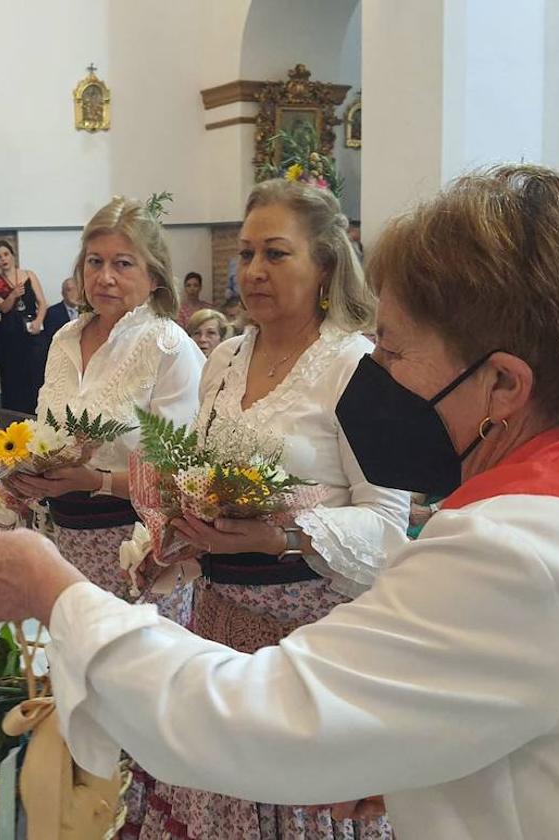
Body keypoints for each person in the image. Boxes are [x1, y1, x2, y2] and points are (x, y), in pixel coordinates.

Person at [0, 164, 559, 840]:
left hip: (303, 635)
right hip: (221, 614)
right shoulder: (227, 362)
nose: (380, 381)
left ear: (505, 385)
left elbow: (258, 719)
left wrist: (52, 592)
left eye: (392, 353)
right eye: (246, 253)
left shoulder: (507, 554)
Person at [110, 178, 409, 839]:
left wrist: (280, 535)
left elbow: (389, 530)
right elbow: (200, 477)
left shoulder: (354, 368)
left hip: (312, 650)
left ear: (326, 265)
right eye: (244, 254)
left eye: (276, 254)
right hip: (217, 630)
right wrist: (173, 534)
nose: (252, 271)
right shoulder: (223, 358)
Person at [7, 198, 204, 620]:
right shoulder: (63, 339)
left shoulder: (169, 347)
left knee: (139, 675)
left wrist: (94, 480)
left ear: (154, 276)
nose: (105, 277)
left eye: (124, 264)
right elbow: (48, 430)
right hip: (67, 541)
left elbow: (184, 479)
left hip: (140, 551)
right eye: (95, 261)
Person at [0, 239, 47, 413]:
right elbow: (2, 308)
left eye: (6, 254)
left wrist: (38, 321)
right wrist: (13, 295)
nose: (3, 259)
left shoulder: (29, 275)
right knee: (12, 381)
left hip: (31, 334)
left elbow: (42, 303)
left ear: (12, 256)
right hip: (8, 338)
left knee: (35, 377)